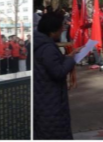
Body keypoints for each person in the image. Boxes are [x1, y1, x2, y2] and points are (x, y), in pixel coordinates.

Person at [34, 12, 81, 140]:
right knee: (55, 132)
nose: (63, 30)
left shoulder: (40, 44)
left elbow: (52, 63)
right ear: (52, 31)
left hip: (43, 96)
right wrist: (71, 60)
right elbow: (58, 72)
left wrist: (68, 56)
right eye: (61, 27)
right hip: (50, 100)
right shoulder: (47, 48)